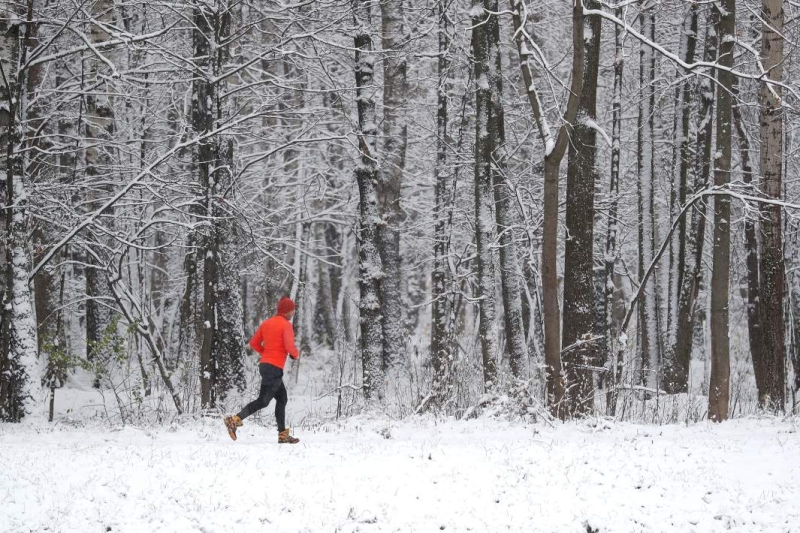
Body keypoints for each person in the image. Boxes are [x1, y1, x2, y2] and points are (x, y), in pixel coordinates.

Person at [224, 296, 300, 444]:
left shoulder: (267, 323)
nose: (293, 313)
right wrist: (295, 355)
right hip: (274, 368)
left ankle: (283, 435)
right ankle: (234, 420)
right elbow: (290, 346)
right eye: (292, 310)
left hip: (265, 365)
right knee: (263, 401)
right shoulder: (286, 325)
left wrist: (265, 352)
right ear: (288, 311)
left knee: (282, 399)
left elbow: (253, 343)